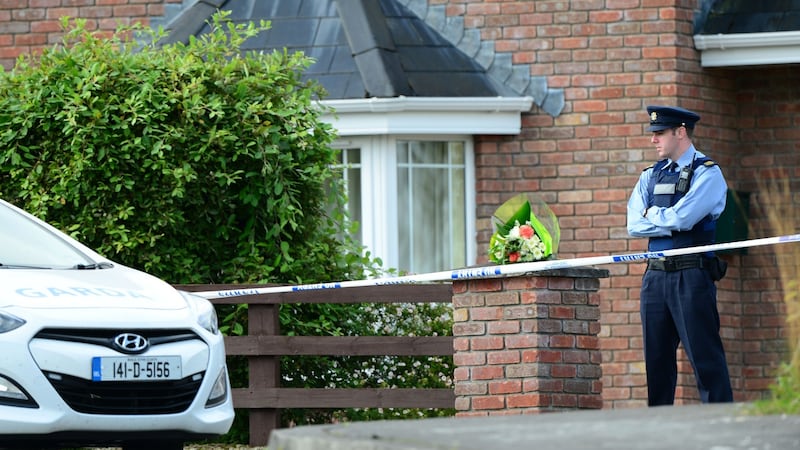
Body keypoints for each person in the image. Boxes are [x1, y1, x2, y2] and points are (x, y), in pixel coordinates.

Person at [626, 105, 734, 406]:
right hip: (655, 276)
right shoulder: (650, 175)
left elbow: (683, 219)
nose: (653, 140)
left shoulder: (708, 173)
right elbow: (634, 225)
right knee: (656, 362)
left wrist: (653, 213)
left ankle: (721, 424)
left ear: (681, 132)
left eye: (659, 133)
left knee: (705, 358)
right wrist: (666, 216)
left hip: (692, 276)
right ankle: (658, 430)